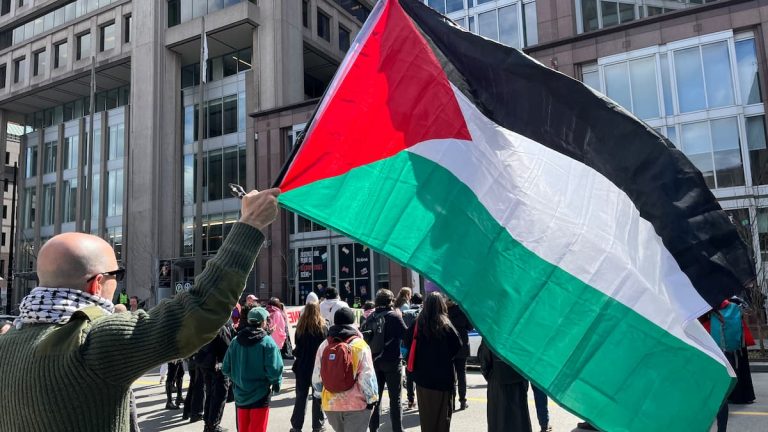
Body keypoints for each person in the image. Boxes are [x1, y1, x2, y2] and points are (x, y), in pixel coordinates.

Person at [0, 187, 279, 431]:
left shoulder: (6, 344)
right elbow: (198, 309)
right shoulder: (93, 342)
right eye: (116, 273)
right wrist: (250, 224)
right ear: (97, 284)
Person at [312, 308, 378, 432]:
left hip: (331, 405)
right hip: (356, 405)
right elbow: (367, 375)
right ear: (353, 322)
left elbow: (317, 374)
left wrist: (319, 395)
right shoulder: (360, 345)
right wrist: (371, 399)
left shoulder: (325, 344)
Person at [403, 292, 461, 432]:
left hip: (423, 379)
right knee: (443, 420)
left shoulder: (418, 323)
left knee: (427, 419)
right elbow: (457, 345)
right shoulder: (446, 324)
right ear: (441, 305)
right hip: (443, 378)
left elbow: (406, 342)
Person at [222, 307, 283, 432]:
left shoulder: (235, 341)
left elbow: (226, 368)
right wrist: (276, 384)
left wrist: (238, 379)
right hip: (260, 394)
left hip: (240, 395)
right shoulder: (268, 342)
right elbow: (275, 371)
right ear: (263, 322)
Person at [362, 289, 407, 432]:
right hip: (393, 361)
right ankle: (397, 429)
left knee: (375, 398)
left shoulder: (370, 317)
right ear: (391, 301)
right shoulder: (394, 316)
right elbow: (406, 335)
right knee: (395, 399)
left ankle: (373, 428)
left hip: (375, 361)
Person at [478, 340, 532, 432]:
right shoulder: (519, 331)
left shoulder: (491, 331)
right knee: (519, 421)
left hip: (498, 381)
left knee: (499, 421)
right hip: (517, 381)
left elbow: (484, 361)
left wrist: (491, 376)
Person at [290, 302, 328, 432]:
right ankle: (317, 425)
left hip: (302, 365)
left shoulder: (300, 327)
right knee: (318, 396)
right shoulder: (323, 327)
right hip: (318, 366)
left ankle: (296, 425)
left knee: (301, 396)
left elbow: (297, 346)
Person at [200, 322, 236, 432]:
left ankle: (208, 423)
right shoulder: (220, 328)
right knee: (219, 396)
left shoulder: (206, 326)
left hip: (207, 364)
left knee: (210, 394)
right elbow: (227, 348)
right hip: (219, 366)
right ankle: (213, 425)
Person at [446, 299, 473, 411]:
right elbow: (470, 327)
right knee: (462, 374)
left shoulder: (444, 312)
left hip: (448, 347)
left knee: (450, 375)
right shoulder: (463, 310)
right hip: (462, 345)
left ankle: (451, 401)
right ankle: (463, 401)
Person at [402, 293, 423, 409]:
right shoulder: (424, 313)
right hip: (421, 349)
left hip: (409, 349)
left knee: (409, 373)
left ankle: (410, 400)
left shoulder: (406, 313)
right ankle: (421, 399)